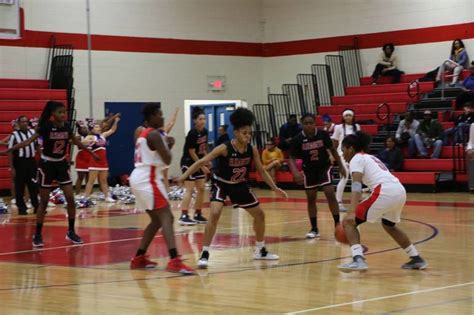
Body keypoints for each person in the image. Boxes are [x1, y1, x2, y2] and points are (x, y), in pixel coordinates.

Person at [177, 108, 288, 268]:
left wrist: (275, 188)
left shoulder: (252, 149)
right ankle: (205, 253)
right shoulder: (224, 148)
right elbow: (201, 162)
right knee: (214, 213)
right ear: (235, 132)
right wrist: (183, 176)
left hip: (239, 185)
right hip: (221, 183)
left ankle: (260, 250)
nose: (248, 136)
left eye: (249, 133)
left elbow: (262, 171)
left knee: (260, 215)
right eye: (244, 133)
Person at [0, 101, 98, 248]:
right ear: (53, 114)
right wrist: (9, 149)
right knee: (44, 202)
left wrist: (91, 153)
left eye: (64, 112)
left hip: (61, 164)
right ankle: (38, 234)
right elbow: (28, 142)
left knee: (70, 198)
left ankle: (71, 231)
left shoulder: (66, 127)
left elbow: (76, 142)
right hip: (47, 165)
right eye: (60, 112)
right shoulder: (45, 127)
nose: (63, 114)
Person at [337, 132, 427, 272]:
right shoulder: (370, 157)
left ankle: (358, 259)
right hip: (399, 190)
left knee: (348, 222)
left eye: (343, 151)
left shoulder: (356, 159)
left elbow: (356, 185)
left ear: (351, 148)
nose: (342, 155)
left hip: (385, 192)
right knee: (389, 226)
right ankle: (416, 258)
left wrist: (352, 211)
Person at [129, 103, 194, 274]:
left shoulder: (142, 133)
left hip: (139, 176)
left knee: (157, 220)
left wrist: (165, 145)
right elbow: (167, 160)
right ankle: (174, 260)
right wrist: (169, 145)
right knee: (167, 216)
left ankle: (138, 258)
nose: (162, 117)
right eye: (159, 114)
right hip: (147, 178)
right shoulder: (154, 134)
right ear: (150, 117)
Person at [288, 113, 346, 238]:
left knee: (329, 192)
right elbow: (291, 158)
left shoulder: (323, 135)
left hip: (324, 167)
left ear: (315, 123)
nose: (309, 125)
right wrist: (295, 172)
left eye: (311, 122)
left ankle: (337, 224)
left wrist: (340, 165)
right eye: (306, 123)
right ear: (302, 125)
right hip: (308, 170)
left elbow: (333, 150)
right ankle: (314, 228)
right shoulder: (297, 139)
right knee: (311, 198)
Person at [179, 107, 209, 225]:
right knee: (190, 189)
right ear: (195, 121)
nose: (203, 121)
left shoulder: (205, 132)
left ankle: (198, 214)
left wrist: (207, 159)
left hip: (198, 161)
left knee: (201, 188)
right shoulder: (192, 133)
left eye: (204, 119)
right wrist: (201, 165)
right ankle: (184, 214)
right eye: (200, 119)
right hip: (188, 163)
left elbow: (203, 149)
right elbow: (191, 152)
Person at [7, 116, 39, 215]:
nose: (25, 123)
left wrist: (42, 160)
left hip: (31, 162)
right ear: (18, 123)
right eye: (22, 122)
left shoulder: (32, 133)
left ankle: (37, 206)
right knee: (19, 186)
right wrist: (12, 167)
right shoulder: (14, 135)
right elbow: (10, 152)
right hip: (20, 163)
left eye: (26, 122)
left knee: (33, 185)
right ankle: (21, 208)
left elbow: (38, 146)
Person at [83, 117, 120, 202]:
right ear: (92, 129)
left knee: (104, 180)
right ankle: (86, 197)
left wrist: (116, 122)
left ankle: (107, 196)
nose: (99, 128)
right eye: (96, 127)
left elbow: (112, 130)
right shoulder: (90, 136)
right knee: (91, 181)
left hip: (103, 162)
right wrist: (89, 141)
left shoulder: (103, 135)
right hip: (95, 161)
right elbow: (82, 143)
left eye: (99, 127)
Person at [331, 109, 360, 211]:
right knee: (344, 176)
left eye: (350, 115)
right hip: (342, 155)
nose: (348, 117)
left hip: (354, 156)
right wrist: (332, 155)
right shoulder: (338, 127)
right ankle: (338, 202)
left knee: (355, 179)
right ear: (343, 117)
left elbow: (359, 141)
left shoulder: (357, 127)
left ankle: (355, 201)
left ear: (353, 117)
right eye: (346, 115)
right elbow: (334, 143)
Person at [74, 121, 93, 195]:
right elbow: (69, 141)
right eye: (83, 128)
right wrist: (78, 143)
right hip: (81, 158)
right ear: (79, 130)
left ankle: (89, 194)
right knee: (80, 178)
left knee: (89, 179)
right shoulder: (78, 137)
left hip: (90, 158)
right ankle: (77, 194)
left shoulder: (91, 136)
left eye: (86, 128)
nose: (85, 130)